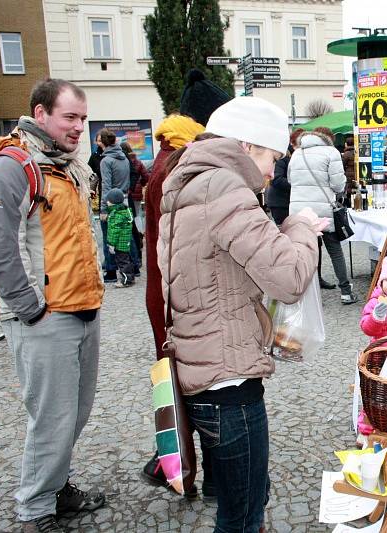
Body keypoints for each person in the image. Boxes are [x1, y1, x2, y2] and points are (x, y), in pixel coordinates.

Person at [157, 96, 324, 532]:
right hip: (228, 383)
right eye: (272, 156)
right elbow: (288, 277)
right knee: (243, 517)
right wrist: (302, 228)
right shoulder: (225, 189)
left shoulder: (186, 185)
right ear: (247, 146)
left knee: (240, 504)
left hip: (200, 372)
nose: (273, 171)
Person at [0, 78, 105, 533]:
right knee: (51, 417)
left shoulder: (68, 165)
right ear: (40, 114)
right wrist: (30, 308)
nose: (79, 127)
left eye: (82, 118)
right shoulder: (14, 166)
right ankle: (35, 508)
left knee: (73, 413)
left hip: (82, 308)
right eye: (69, 117)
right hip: (45, 317)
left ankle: (57, 487)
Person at [141, 69, 229, 489]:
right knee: (187, 383)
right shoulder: (176, 165)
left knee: (189, 380)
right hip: (175, 295)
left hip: (172, 292)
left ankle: (191, 466)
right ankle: (185, 469)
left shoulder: (173, 156)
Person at [288, 126, 357, 303]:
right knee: (335, 251)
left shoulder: (297, 154)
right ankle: (345, 292)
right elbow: (338, 185)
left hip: (299, 212)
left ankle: (306, 295)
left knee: (305, 251)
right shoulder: (331, 152)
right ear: (329, 139)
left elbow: (290, 180)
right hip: (324, 210)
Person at [96, 128, 131, 281]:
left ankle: (111, 271)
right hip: (124, 198)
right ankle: (133, 267)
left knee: (109, 237)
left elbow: (106, 185)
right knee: (126, 237)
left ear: (102, 142)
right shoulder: (123, 158)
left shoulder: (106, 160)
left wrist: (104, 208)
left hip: (111, 203)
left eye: (98, 140)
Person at [267, 128, 304, 226]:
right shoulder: (283, 157)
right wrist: (297, 186)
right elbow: (276, 178)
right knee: (285, 231)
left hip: (287, 201)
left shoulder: (296, 156)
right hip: (280, 203)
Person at [120, 142, 149, 264]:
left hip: (129, 193)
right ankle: (141, 233)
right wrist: (141, 184)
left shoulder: (123, 161)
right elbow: (145, 176)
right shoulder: (137, 161)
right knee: (138, 214)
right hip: (137, 193)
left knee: (132, 216)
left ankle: (137, 234)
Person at [105, 188, 135, 287]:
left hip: (119, 243)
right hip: (125, 241)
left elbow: (114, 231)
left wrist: (111, 243)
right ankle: (130, 277)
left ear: (113, 202)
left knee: (122, 261)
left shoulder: (116, 214)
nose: (107, 202)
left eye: (108, 200)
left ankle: (126, 280)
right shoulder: (124, 211)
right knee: (127, 260)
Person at [341, 135, 356, 207]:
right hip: (356, 174)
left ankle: (350, 206)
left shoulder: (346, 154)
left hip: (348, 175)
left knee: (349, 191)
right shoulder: (357, 152)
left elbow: (342, 165)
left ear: (346, 144)